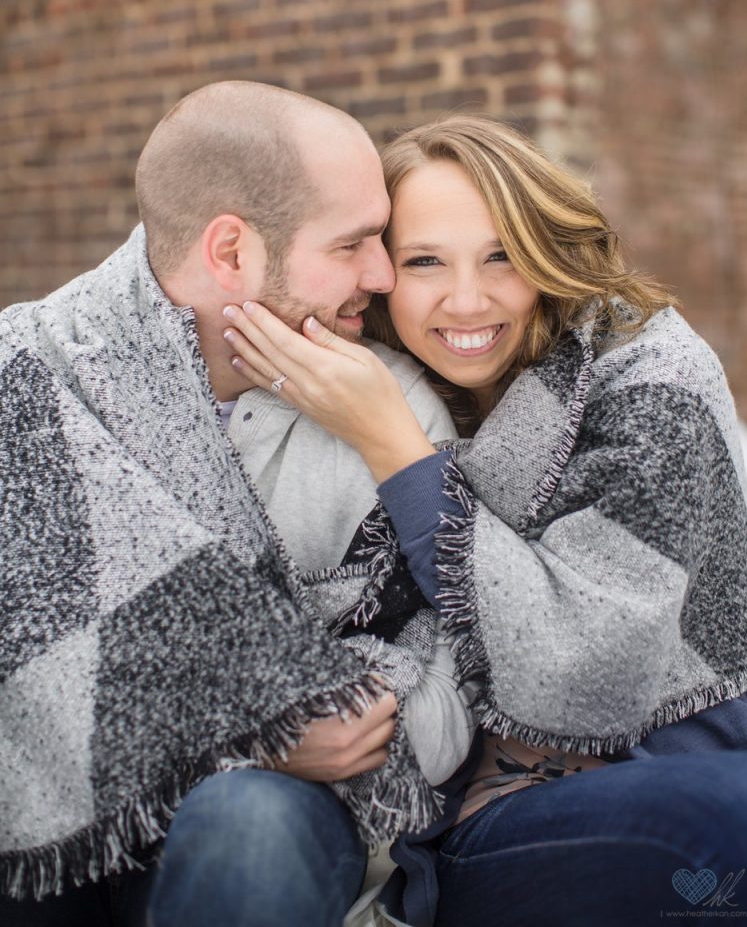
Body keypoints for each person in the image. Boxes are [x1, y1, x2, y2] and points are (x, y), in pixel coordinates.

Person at [222, 112, 747, 926]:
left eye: (502, 256)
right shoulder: (382, 383)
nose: (467, 299)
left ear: (551, 254)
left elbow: (584, 668)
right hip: (467, 820)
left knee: (736, 819)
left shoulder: (649, 380)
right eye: (425, 262)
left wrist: (394, 448)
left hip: (671, 763)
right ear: (380, 274)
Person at [0, 82, 473, 927]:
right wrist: (246, 724)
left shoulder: (390, 408)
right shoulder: (29, 380)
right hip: (48, 826)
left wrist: (348, 732)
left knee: (246, 826)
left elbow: (456, 677)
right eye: (356, 243)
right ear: (231, 253)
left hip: (275, 826)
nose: (383, 274)